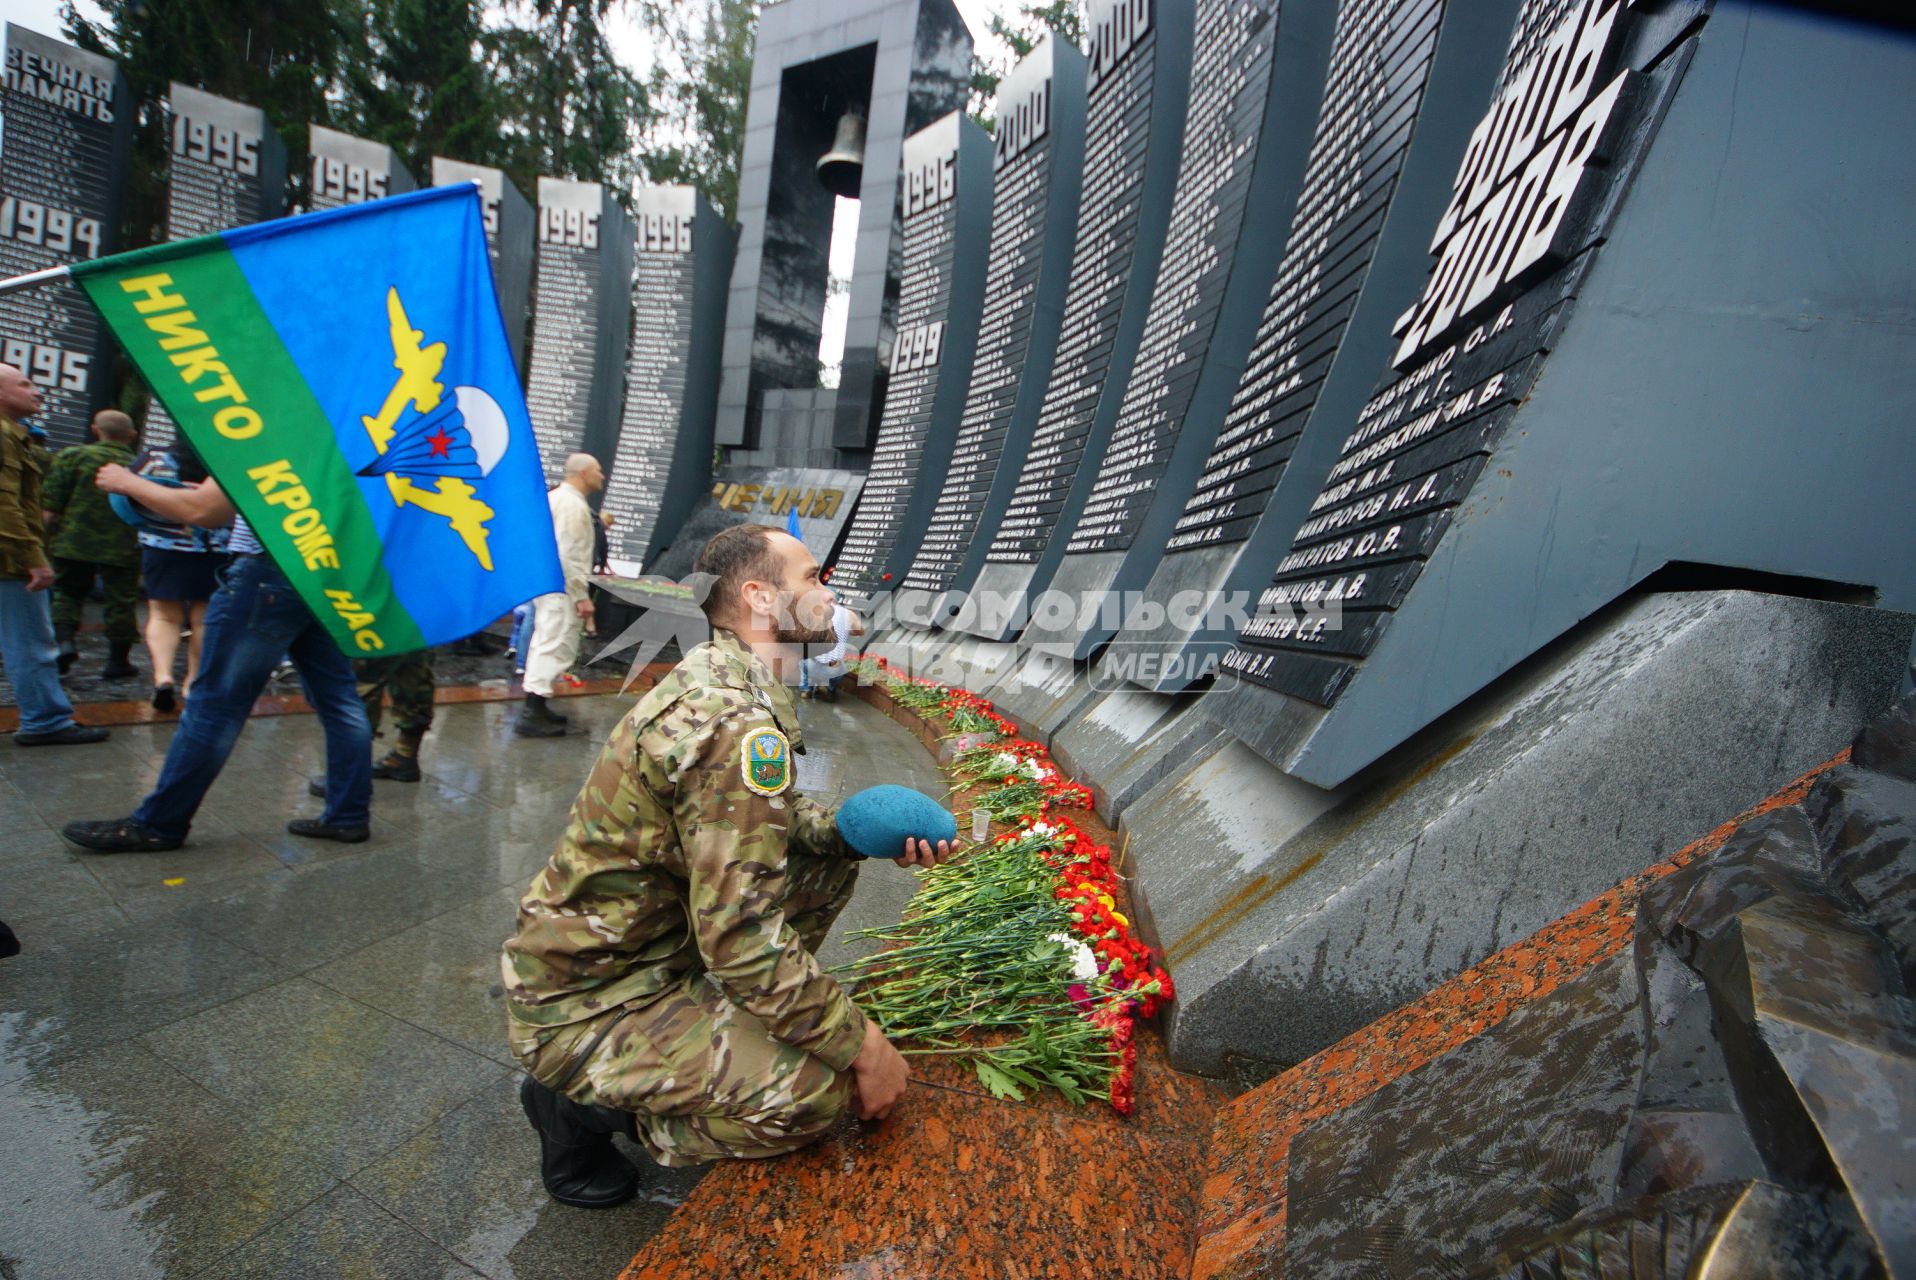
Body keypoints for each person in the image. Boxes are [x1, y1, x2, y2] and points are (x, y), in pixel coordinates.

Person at [503, 523, 955, 1206]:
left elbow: (750, 830)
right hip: (585, 1003)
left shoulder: (726, 677)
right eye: (811, 578)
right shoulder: (732, 723)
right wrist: (862, 1046)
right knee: (812, 1096)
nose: (826, 593)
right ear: (760, 598)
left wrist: (844, 832)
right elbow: (740, 938)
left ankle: (706, 1031)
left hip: (644, 955)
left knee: (826, 862)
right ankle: (586, 1107)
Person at [59, 466, 372, 852]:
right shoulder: (342, 428)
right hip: (325, 574)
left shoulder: (265, 427)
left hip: (267, 571)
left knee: (214, 706)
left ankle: (159, 823)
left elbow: (203, 511)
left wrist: (126, 482)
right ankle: (347, 816)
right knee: (340, 699)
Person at [0, 363, 108, 747]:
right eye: (25, 383)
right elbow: (5, 506)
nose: (37, 391)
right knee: (31, 642)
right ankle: (45, 721)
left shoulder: (17, 435)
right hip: (9, 562)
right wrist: (33, 558)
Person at [128, 435, 229, 711]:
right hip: (214, 547)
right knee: (203, 619)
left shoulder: (155, 459)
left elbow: (129, 498)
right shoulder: (225, 458)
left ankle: (163, 677)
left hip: (163, 545)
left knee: (162, 614)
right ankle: (192, 682)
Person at [43, 409, 142, 680]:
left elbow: (50, 508)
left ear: (95, 430)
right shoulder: (139, 466)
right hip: (122, 546)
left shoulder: (71, 457)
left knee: (66, 592)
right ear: (131, 435)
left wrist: (46, 539)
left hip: (72, 542)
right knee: (121, 600)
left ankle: (64, 642)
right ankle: (117, 662)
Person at [515, 453, 602, 737]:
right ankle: (532, 711)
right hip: (562, 588)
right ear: (584, 473)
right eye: (598, 471)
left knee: (546, 638)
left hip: (549, 584)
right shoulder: (572, 505)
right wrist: (580, 595)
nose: (602, 476)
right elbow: (569, 554)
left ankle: (537, 706)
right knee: (553, 642)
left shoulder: (555, 498)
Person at [799, 598, 863, 702]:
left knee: (804, 657)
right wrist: (849, 630)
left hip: (811, 664)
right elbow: (861, 631)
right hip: (833, 669)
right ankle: (829, 688)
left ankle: (806, 689)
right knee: (844, 663)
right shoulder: (848, 614)